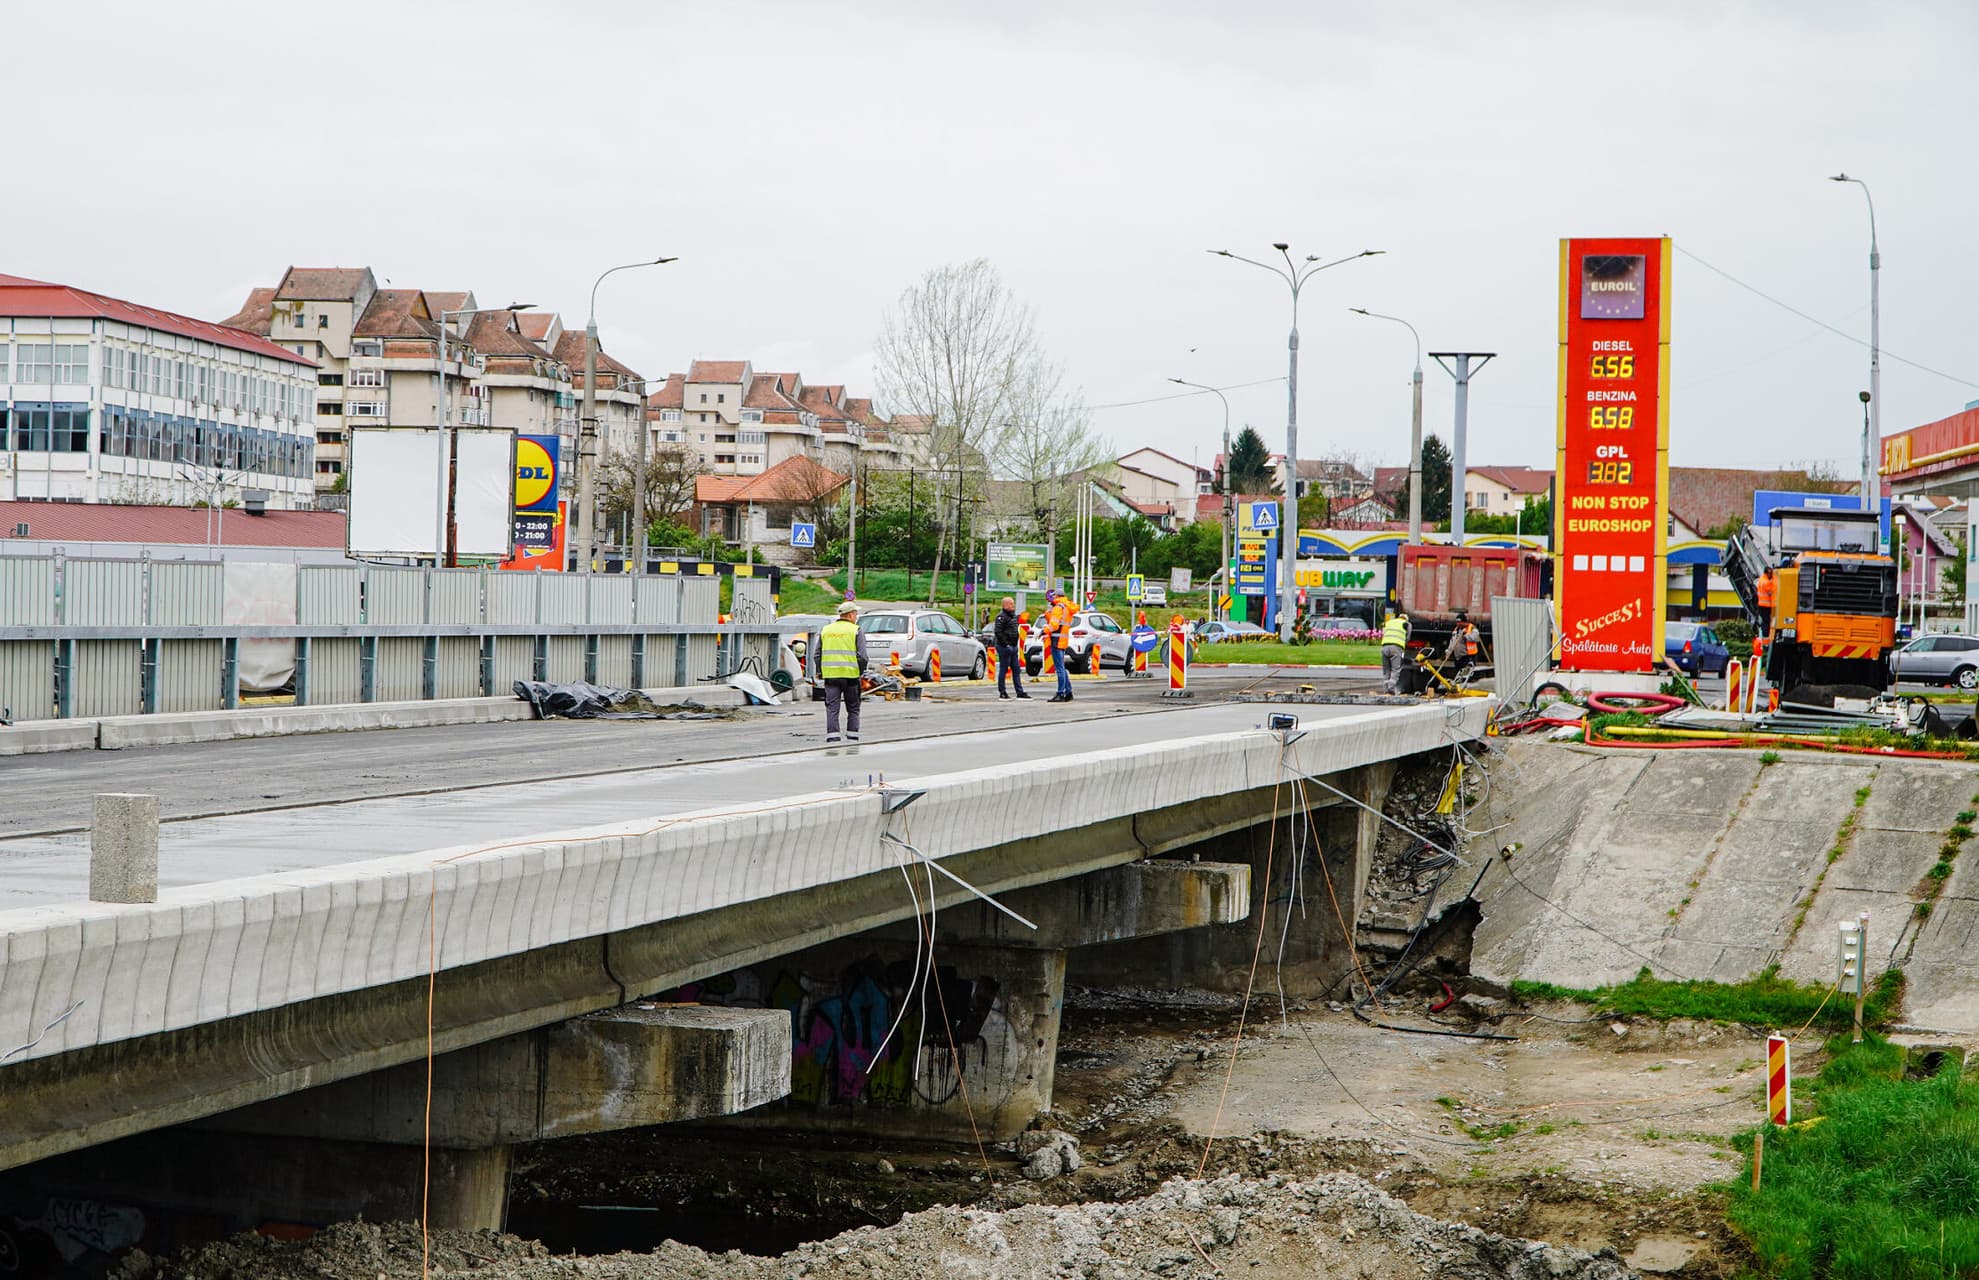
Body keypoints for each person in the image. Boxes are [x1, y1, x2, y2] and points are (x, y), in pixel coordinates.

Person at [817, 600, 867, 744]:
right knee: (853, 708)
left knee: (832, 708)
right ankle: (852, 738)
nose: (856, 616)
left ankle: (833, 738)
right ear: (850, 615)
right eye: (856, 613)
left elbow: (817, 654)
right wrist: (860, 671)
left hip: (831, 677)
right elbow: (863, 656)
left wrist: (821, 671)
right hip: (851, 677)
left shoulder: (826, 630)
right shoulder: (856, 630)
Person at [993, 596, 1028, 700]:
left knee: (1016, 670)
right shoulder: (1001, 617)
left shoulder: (1012, 617)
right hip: (1005, 647)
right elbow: (998, 632)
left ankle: (1020, 692)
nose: (1013, 606)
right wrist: (1005, 644)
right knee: (1003, 670)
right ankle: (1002, 692)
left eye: (1013, 604)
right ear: (1005, 605)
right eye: (1011, 604)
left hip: (1013, 647)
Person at [1047, 592, 1075, 702]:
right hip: (1063, 640)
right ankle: (1068, 692)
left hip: (1056, 640)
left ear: (1057, 597)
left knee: (1059, 669)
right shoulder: (1066, 607)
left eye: (1054, 596)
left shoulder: (1058, 607)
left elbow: (1054, 625)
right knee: (1062, 667)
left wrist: (1044, 630)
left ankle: (1060, 693)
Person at [1381, 608, 1411, 694]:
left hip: (1384, 647)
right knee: (1395, 669)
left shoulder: (1390, 622)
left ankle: (1386, 689)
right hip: (1396, 648)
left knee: (1386, 670)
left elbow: (1383, 631)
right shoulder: (1407, 624)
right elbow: (1407, 638)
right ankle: (1391, 689)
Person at [1445, 610, 1481, 675]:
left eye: (1460, 622)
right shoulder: (1456, 630)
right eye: (1457, 622)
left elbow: (1475, 638)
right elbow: (1452, 642)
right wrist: (1448, 652)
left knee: (1466, 676)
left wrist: (1465, 634)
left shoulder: (1472, 628)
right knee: (1457, 676)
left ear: (1464, 622)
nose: (1458, 624)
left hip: (1468, 658)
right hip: (1458, 658)